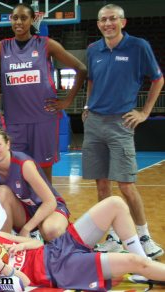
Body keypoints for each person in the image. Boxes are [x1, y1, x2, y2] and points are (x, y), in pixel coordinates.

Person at [0, 196, 165, 290]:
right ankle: (144, 267)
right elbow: (25, 283)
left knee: (115, 203)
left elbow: (37, 245)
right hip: (60, 270)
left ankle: (144, 267)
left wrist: (19, 246)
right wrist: (3, 267)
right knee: (135, 262)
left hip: (58, 247)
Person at [83, 3, 164, 259]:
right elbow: (91, 80)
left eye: (112, 19)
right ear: (98, 24)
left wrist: (145, 112)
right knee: (102, 185)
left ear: (122, 22)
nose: (108, 23)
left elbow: (158, 79)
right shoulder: (93, 49)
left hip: (121, 123)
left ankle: (143, 235)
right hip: (94, 122)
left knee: (126, 184)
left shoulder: (138, 47)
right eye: (103, 20)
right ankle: (113, 238)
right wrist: (86, 105)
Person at [0, 3, 87, 182]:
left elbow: (81, 68)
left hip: (43, 119)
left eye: (24, 18)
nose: (18, 22)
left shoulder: (45, 44)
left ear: (33, 20)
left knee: (44, 172)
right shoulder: (3, 47)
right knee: (17, 170)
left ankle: (48, 207)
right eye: (15, 18)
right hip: (15, 121)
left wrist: (67, 101)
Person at [0, 128, 69, 242]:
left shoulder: (24, 165)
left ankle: (62, 238)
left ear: (8, 144)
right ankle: (4, 246)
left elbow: (50, 202)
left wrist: (26, 228)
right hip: (24, 211)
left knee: (52, 230)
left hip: (49, 208)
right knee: (1, 192)